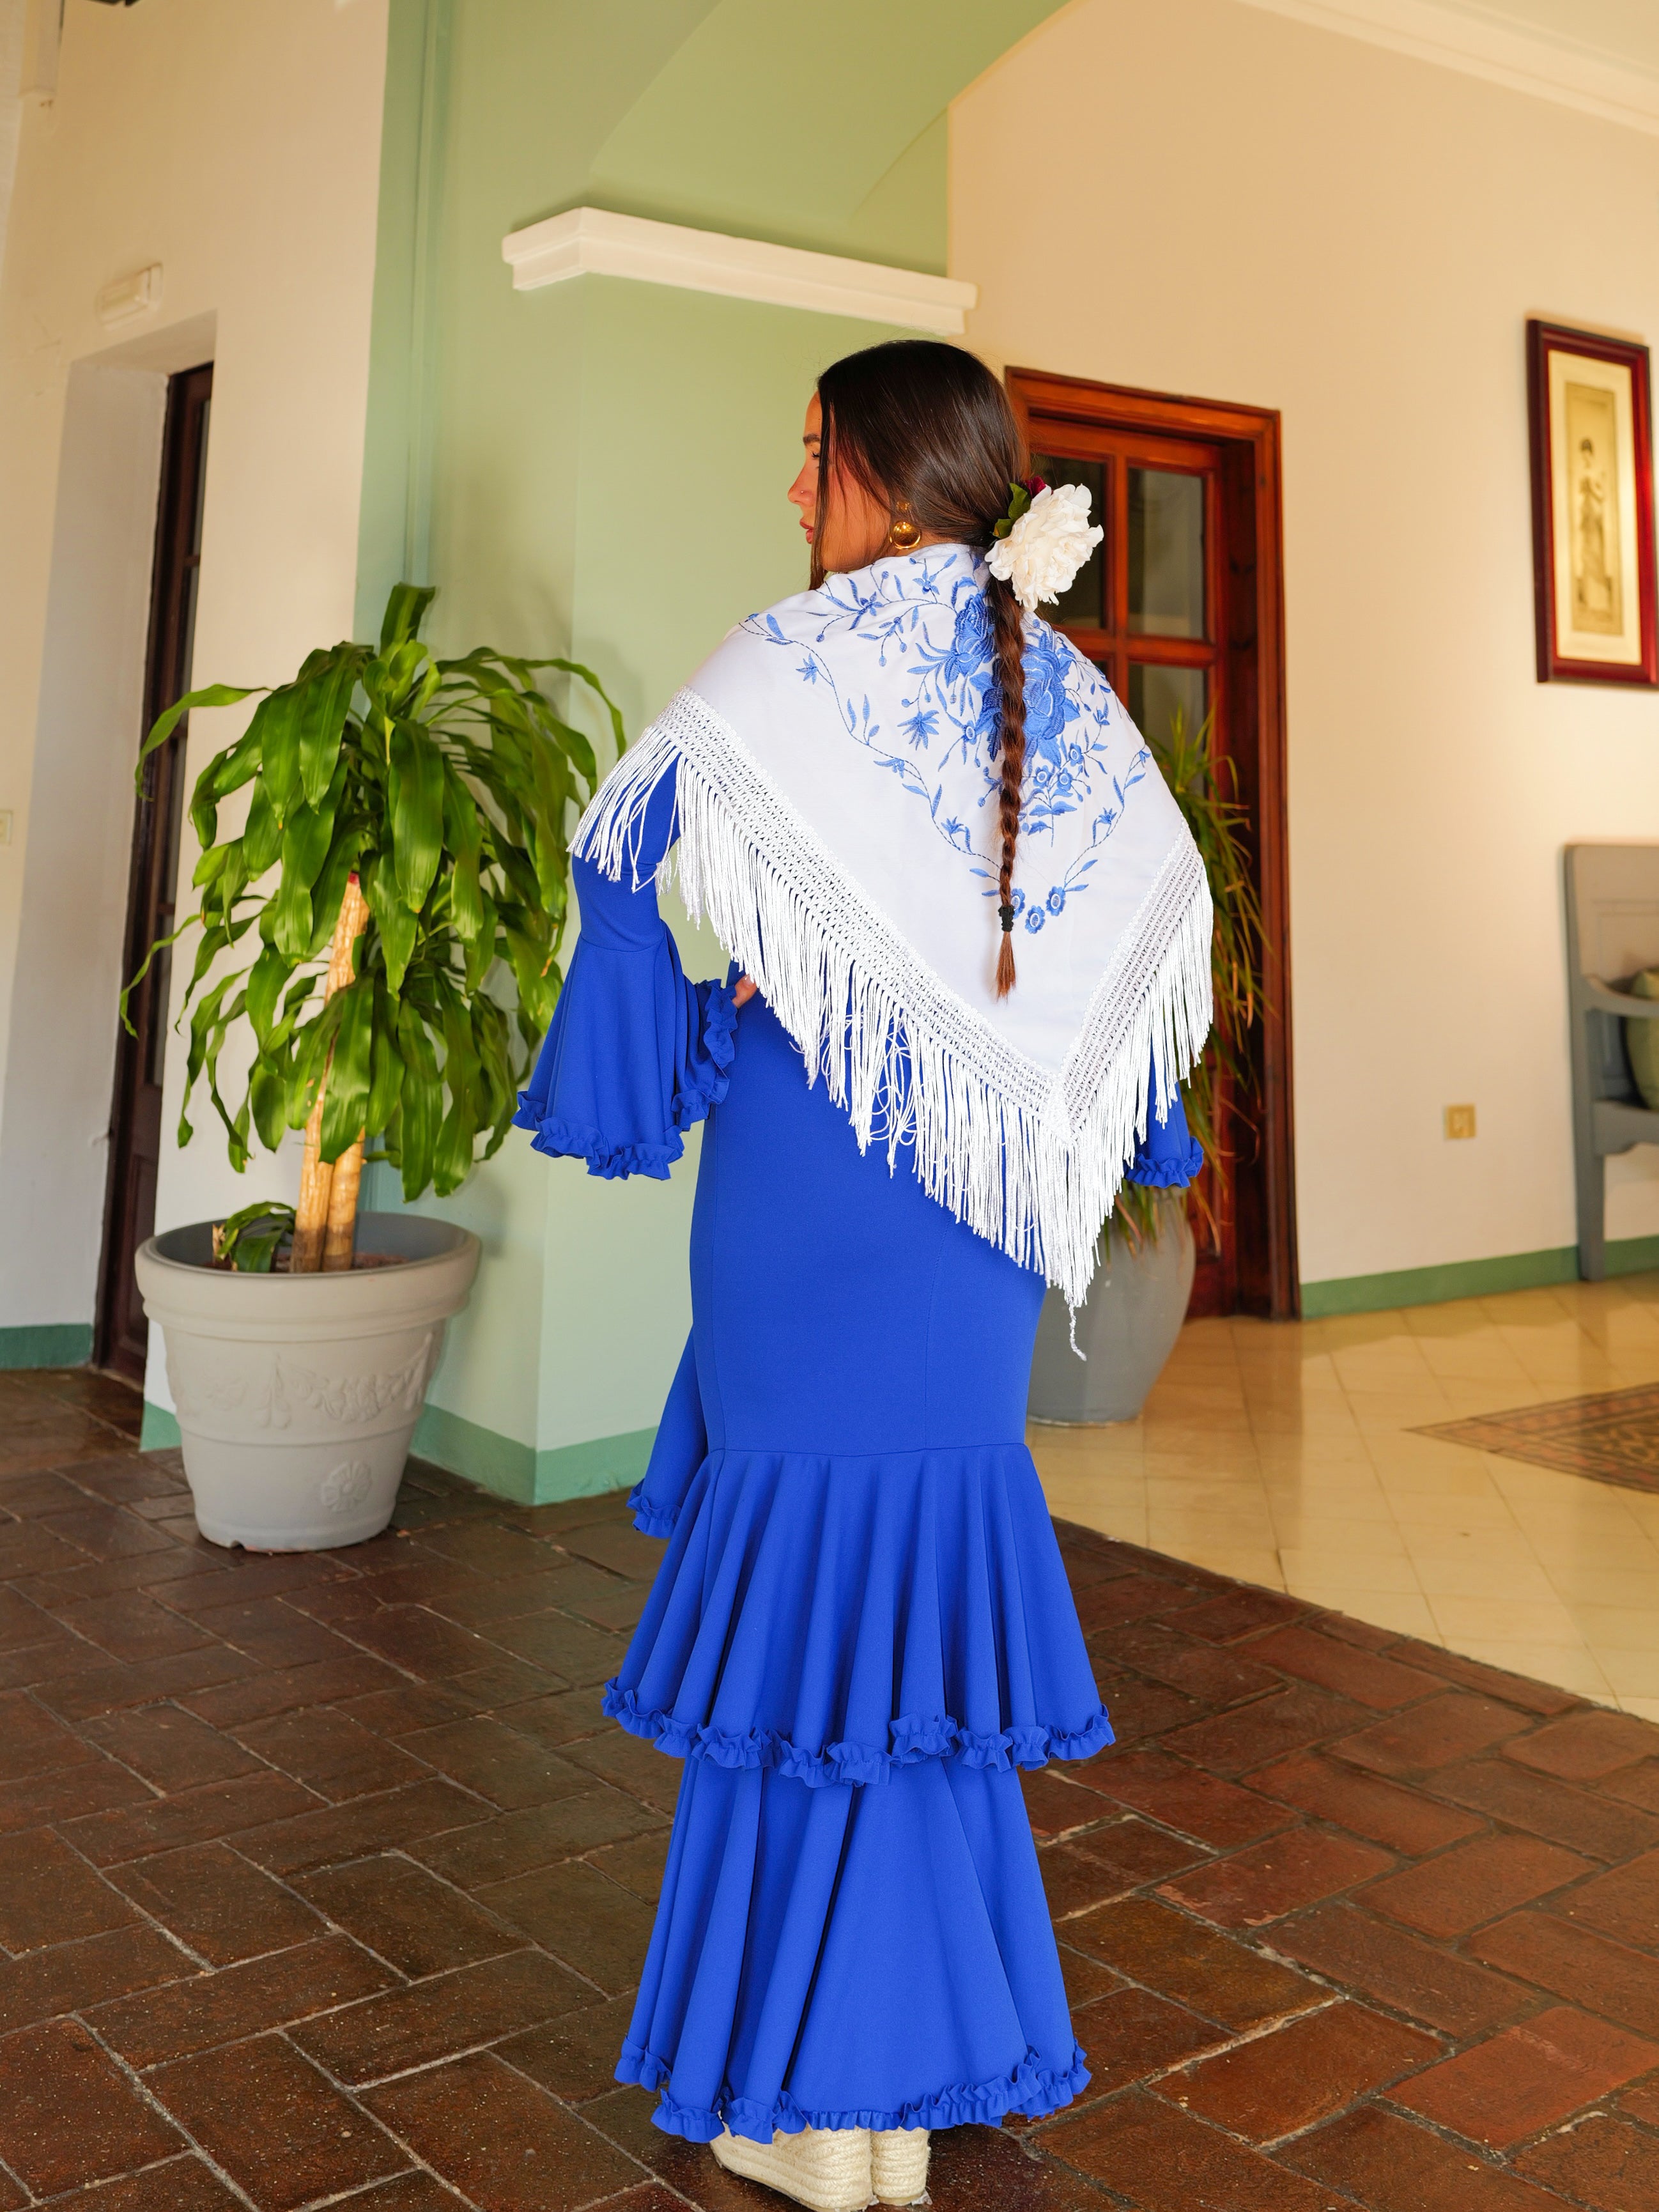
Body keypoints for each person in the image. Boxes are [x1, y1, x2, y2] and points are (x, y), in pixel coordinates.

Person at [516, 339, 1209, 2212]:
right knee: (914, 1633)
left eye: (801, 457)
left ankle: (821, 2104)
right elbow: (1156, 941)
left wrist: (711, 1002)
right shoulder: (1059, 688)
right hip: (966, 1235)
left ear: (866, 471)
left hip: (805, 1205)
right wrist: (1060, 1105)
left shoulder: (792, 658)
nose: (785, 492)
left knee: (804, 1618)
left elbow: (620, 845)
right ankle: (891, 2094)